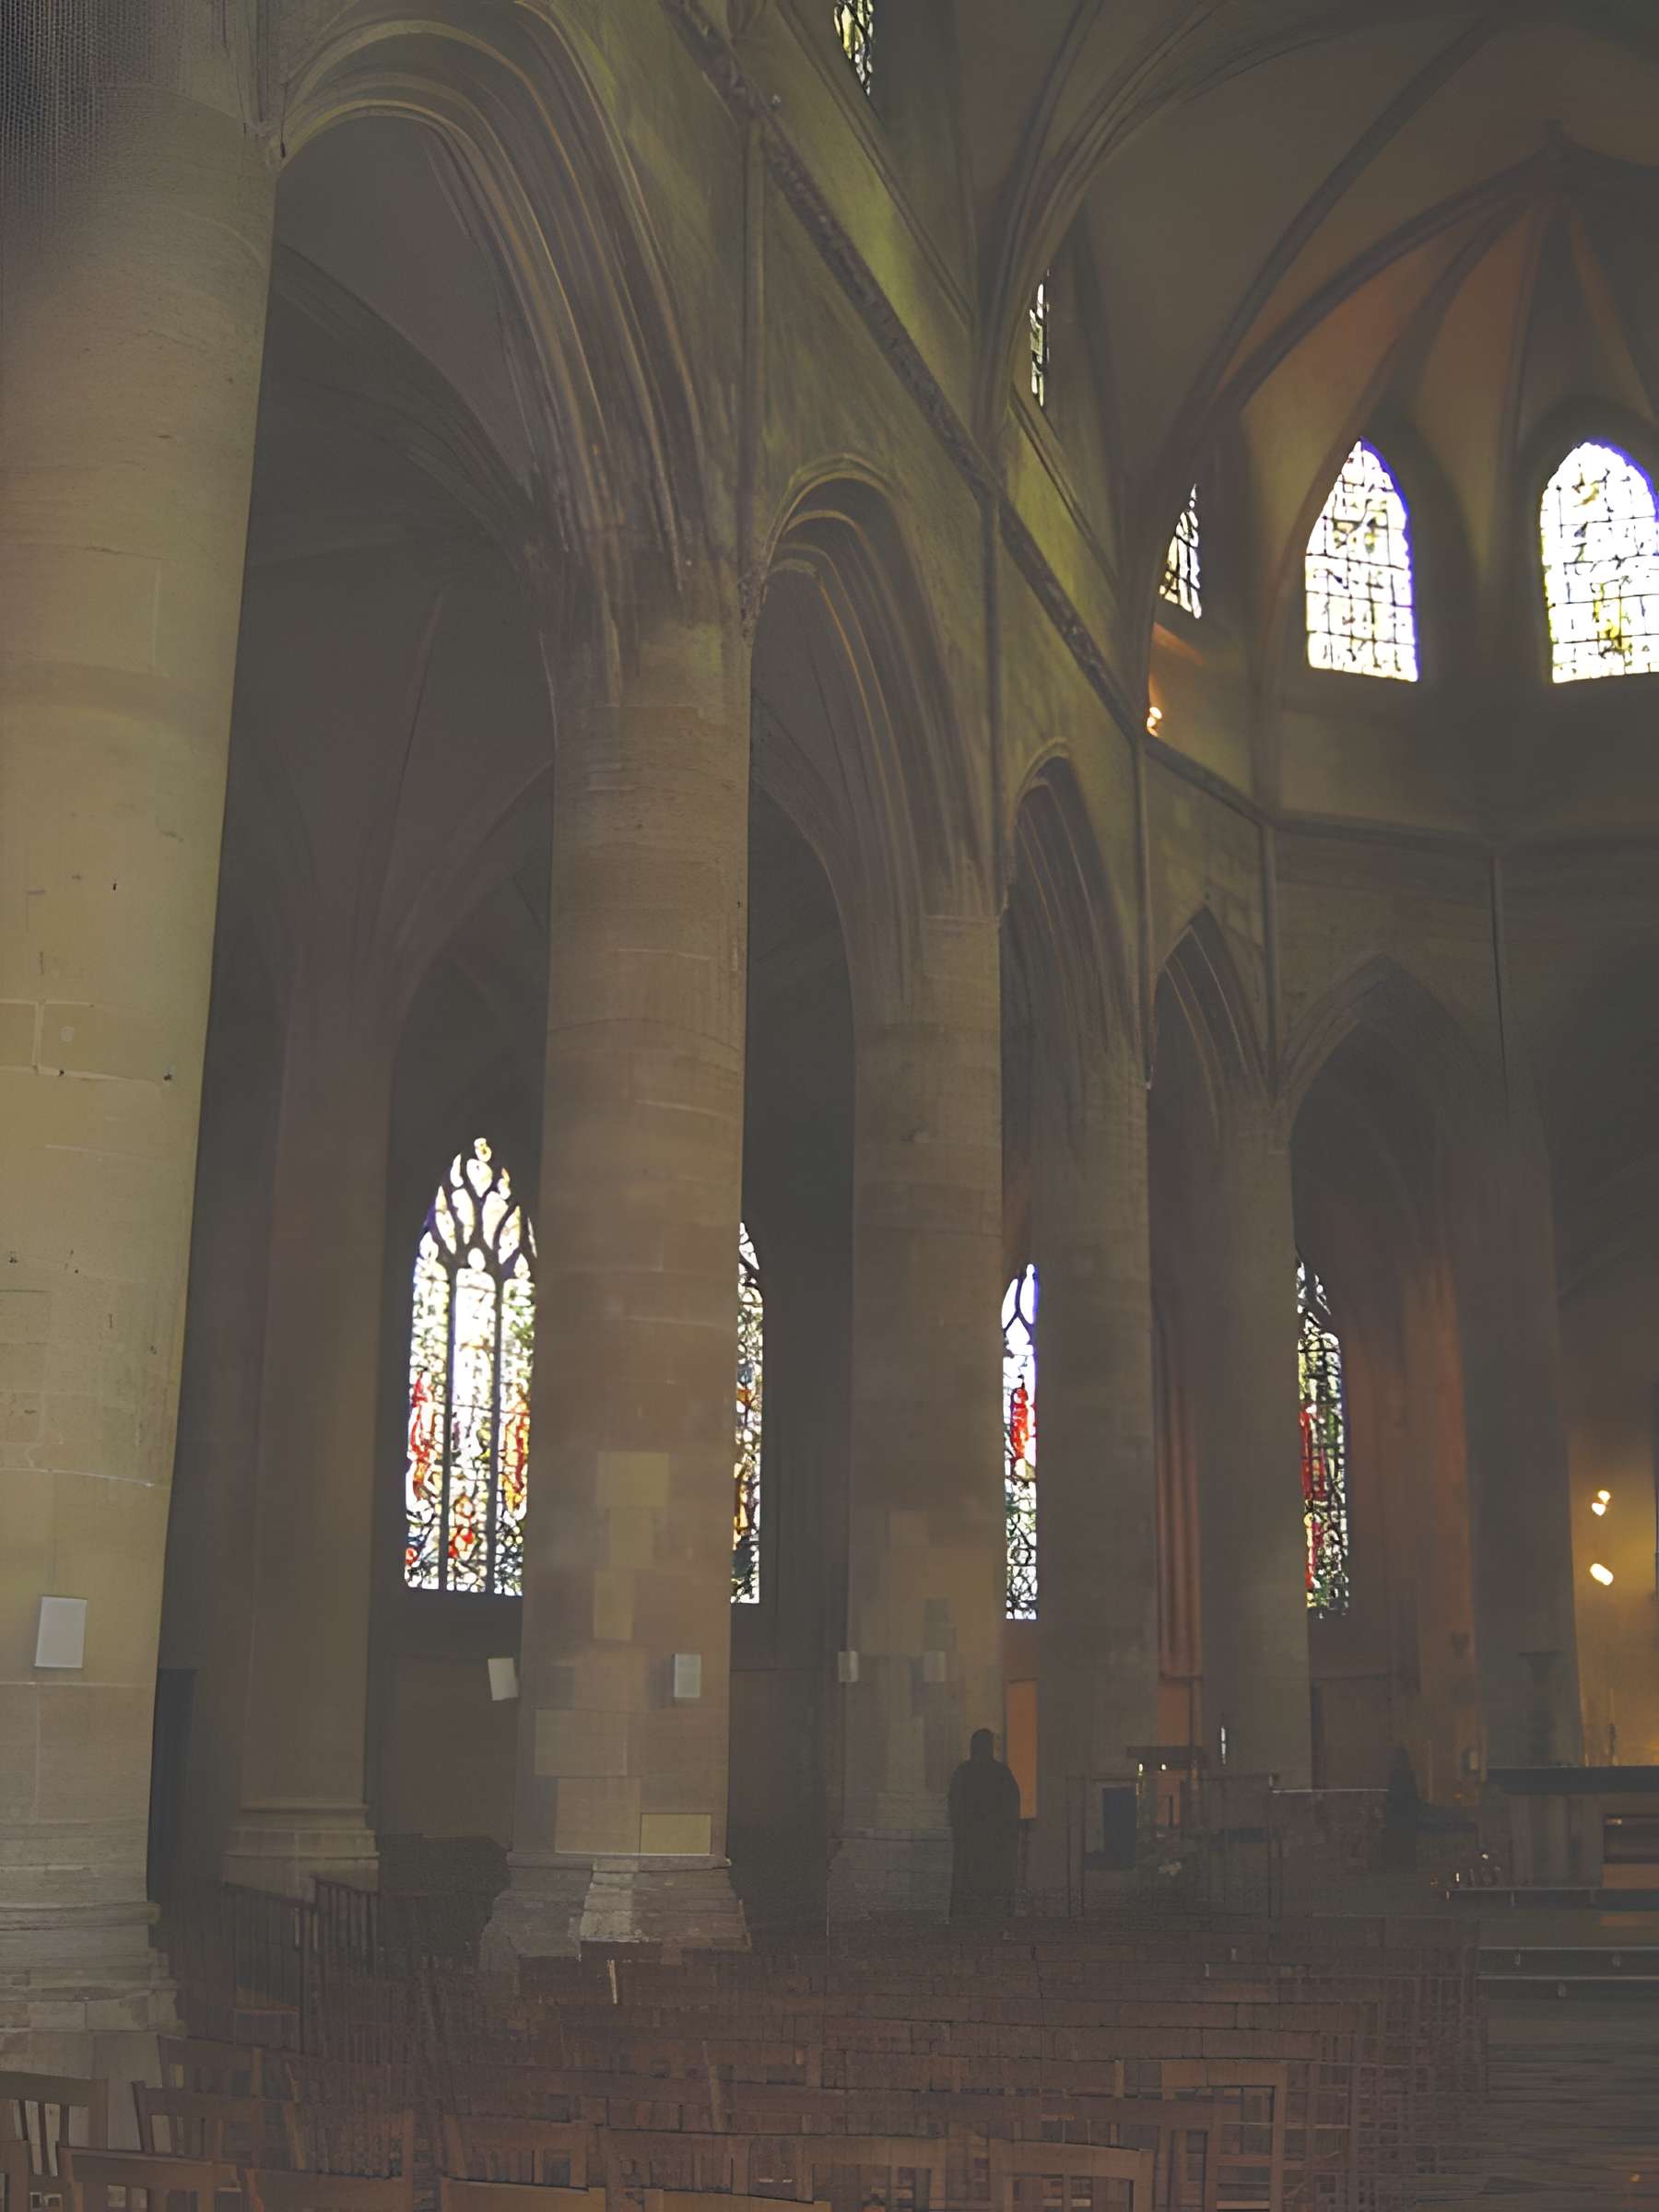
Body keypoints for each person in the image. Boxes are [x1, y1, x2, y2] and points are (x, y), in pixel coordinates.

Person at [947, 1727, 1022, 1924]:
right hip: (993, 1843)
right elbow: (1012, 1809)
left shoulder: (963, 1773)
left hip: (972, 1842)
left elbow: (954, 1808)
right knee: (991, 1890)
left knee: (971, 1888)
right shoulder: (1001, 1773)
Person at [1381, 1745, 1419, 1874]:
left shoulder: (1399, 1776)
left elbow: (1409, 1798)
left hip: (1402, 1821)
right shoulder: (1402, 1776)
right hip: (1402, 1822)